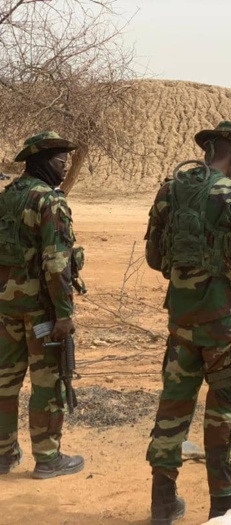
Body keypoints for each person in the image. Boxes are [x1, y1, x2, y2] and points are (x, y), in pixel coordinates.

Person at [145, 121, 231, 523]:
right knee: (223, 412)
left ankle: (163, 503)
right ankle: (222, 507)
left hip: (181, 322)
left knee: (172, 409)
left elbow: (153, 257)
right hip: (224, 325)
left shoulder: (170, 189)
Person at [0, 131, 85, 478]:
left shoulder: (8, 196)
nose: (65, 166)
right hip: (40, 308)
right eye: (60, 160)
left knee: (4, 380)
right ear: (41, 161)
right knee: (47, 382)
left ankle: (4, 455)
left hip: (5, 303)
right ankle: (48, 458)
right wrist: (64, 313)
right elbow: (56, 262)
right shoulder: (49, 201)